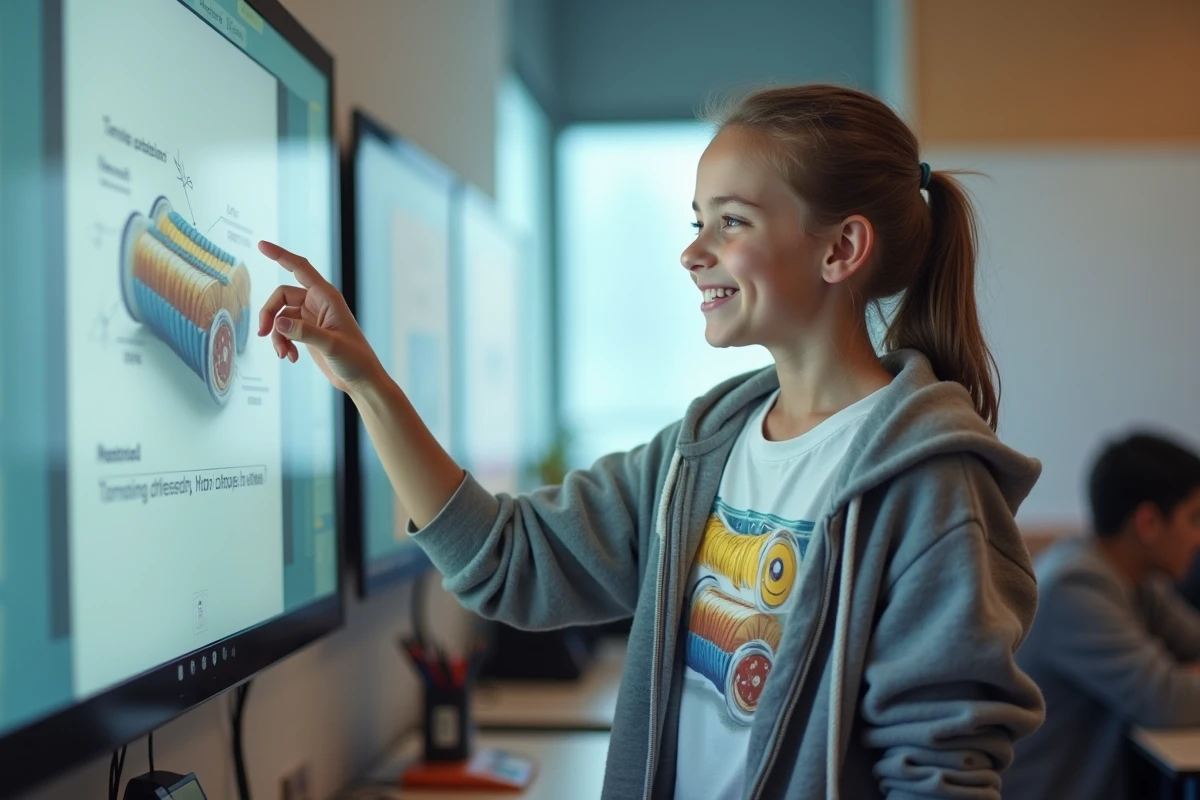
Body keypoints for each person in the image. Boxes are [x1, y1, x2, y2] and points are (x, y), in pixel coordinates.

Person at [257, 84, 1044, 799]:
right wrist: (368, 384)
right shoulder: (701, 450)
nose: (693, 252)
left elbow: (939, 777)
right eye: (697, 221)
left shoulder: (928, 486)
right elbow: (505, 561)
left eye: (731, 222)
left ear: (840, 249)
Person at [1005, 432, 1200, 800]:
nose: (1199, 538)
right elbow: (1169, 700)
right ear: (1148, 524)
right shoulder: (1073, 588)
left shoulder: (1135, 579)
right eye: (1194, 519)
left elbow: (1191, 648)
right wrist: (1181, 677)